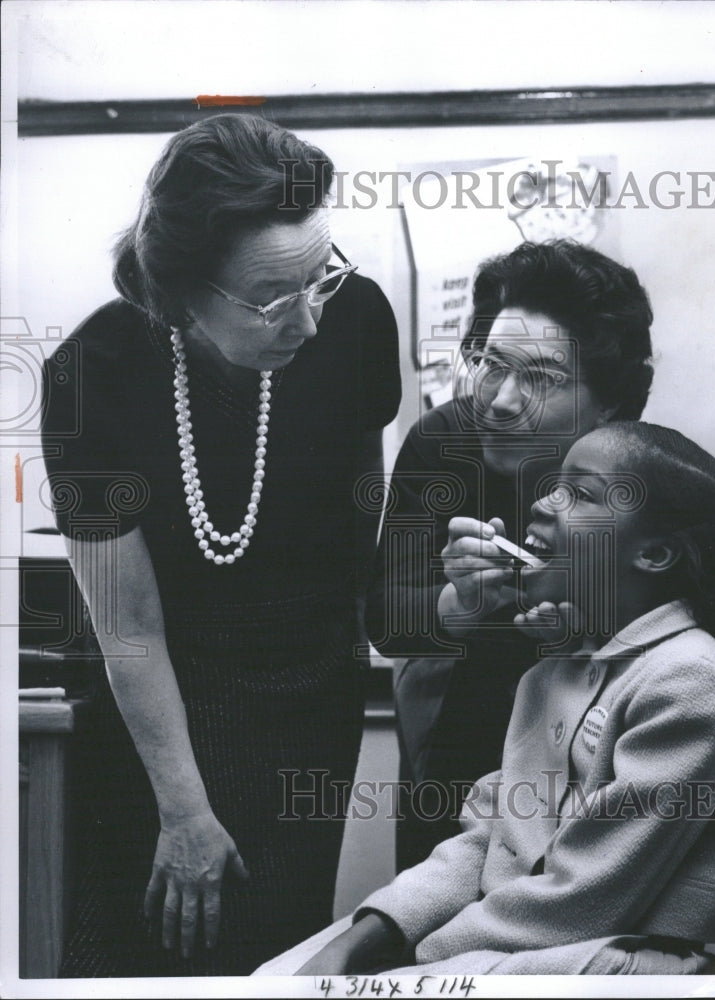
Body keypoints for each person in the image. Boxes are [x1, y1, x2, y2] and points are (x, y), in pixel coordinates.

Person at [40, 113, 401, 977]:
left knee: (280, 949)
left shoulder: (354, 322)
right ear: (181, 294)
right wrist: (183, 809)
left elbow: (355, 530)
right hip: (156, 716)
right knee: (143, 946)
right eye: (276, 299)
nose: (310, 321)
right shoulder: (93, 374)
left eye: (323, 275)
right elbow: (127, 626)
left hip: (311, 699)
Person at [284, 421, 715, 976]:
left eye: (579, 493)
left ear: (655, 554)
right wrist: (374, 930)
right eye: (554, 484)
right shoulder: (552, 671)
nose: (543, 503)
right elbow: (492, 840)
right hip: (523, 945)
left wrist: (410, 959)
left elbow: (585, 897)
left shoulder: (686, 682)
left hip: (615, 960)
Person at [366, 239, 655, 870]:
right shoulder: (443, 441)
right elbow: (386, 620)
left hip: (597, 757)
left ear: (609, 401)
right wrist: (458, 603)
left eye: (541, 379)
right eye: (491, 364)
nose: (499, 400)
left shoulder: (642, 472)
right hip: (454, 740)